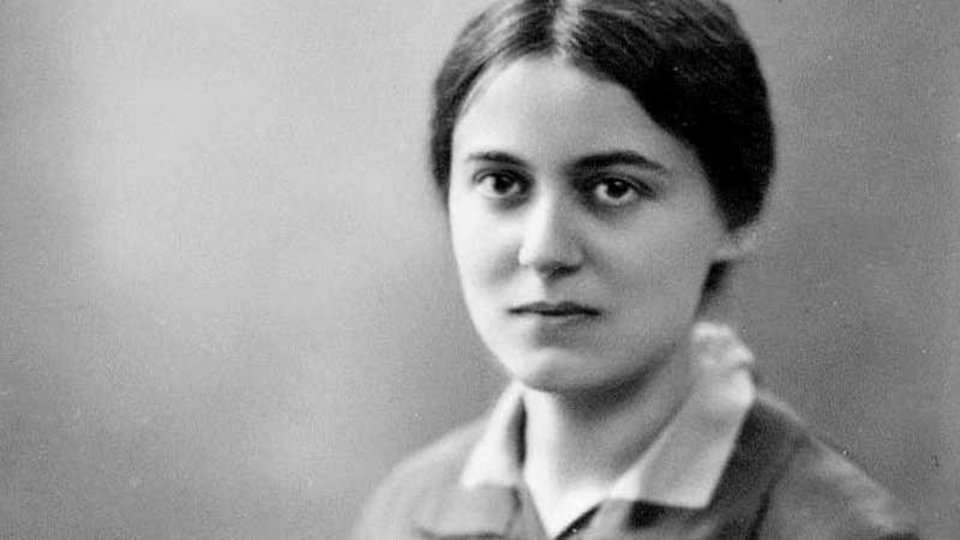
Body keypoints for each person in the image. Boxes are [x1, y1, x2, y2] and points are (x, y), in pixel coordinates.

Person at [352, 0, 920, 538]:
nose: (544, 250)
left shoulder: (836, 529)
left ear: (737, 216)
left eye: (614, 188)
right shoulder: (406, 511)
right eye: (502, 183)